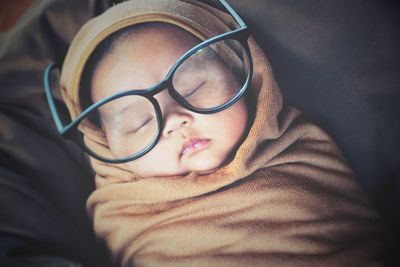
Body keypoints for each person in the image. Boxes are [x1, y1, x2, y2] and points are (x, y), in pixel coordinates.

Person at [44, 0, 383, 266]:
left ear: (240, 70)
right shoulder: (124, 211)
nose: (174, 120)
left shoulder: (302, 149)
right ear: (105, 144)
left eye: (193, 87)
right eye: (138, 123)